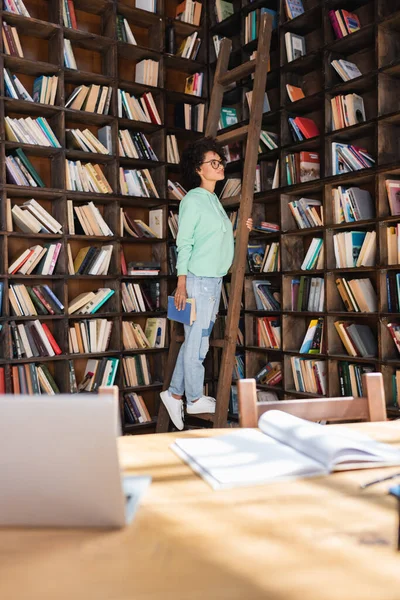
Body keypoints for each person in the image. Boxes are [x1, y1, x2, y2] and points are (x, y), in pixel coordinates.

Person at [160, 137, 252, 430]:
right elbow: (183, 243)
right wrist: (182, 283)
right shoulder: (193, 199)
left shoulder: (213, 200)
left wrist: (239, 230)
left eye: (220, 161)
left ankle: (175, 394)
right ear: (199, 169)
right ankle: (194, 397)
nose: (219, 165)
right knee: (197, 343)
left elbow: (216, 241)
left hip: (213, 280)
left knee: (195, 342)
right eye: (213, 162)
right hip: (198, 279)